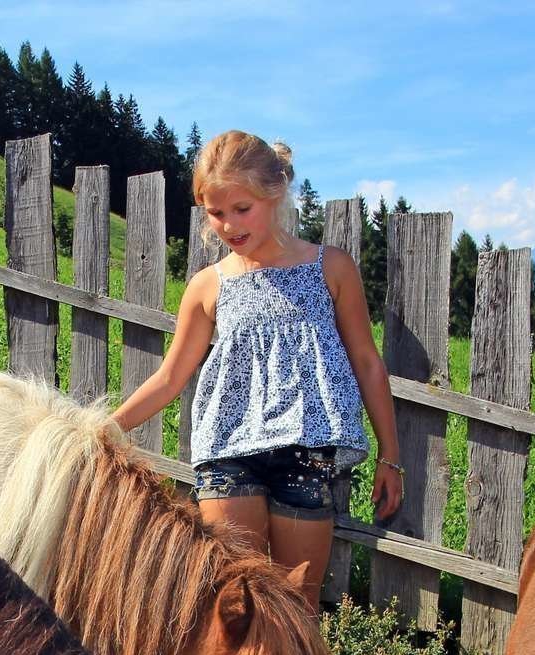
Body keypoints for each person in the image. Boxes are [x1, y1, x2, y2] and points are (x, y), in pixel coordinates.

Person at [112, 130, 402, 612]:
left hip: (306, 453)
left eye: (241, 209)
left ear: (276, 193)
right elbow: (169, 377)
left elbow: (368, 364)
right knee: (232, 604)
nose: (228, 224)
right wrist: (105, 427)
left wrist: (390, 457)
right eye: (216, 213)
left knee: (296, 606)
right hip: (227, 456)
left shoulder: (332, 268)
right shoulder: (208, 286)